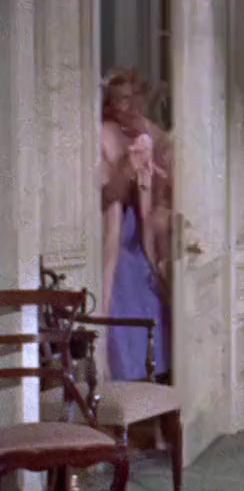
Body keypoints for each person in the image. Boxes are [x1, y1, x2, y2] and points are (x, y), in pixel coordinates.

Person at [100, 68, 173, 382]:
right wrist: (128, 167)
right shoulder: (102, 135)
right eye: (121, 100)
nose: (130, 107)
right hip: (114, 240)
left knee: (154, 297)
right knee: (123, 299)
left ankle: (156, 386)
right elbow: (107, 196)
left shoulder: (150, 131)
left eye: (135, 98)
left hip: (144, 240)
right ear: (110, 104)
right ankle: (125, 383)